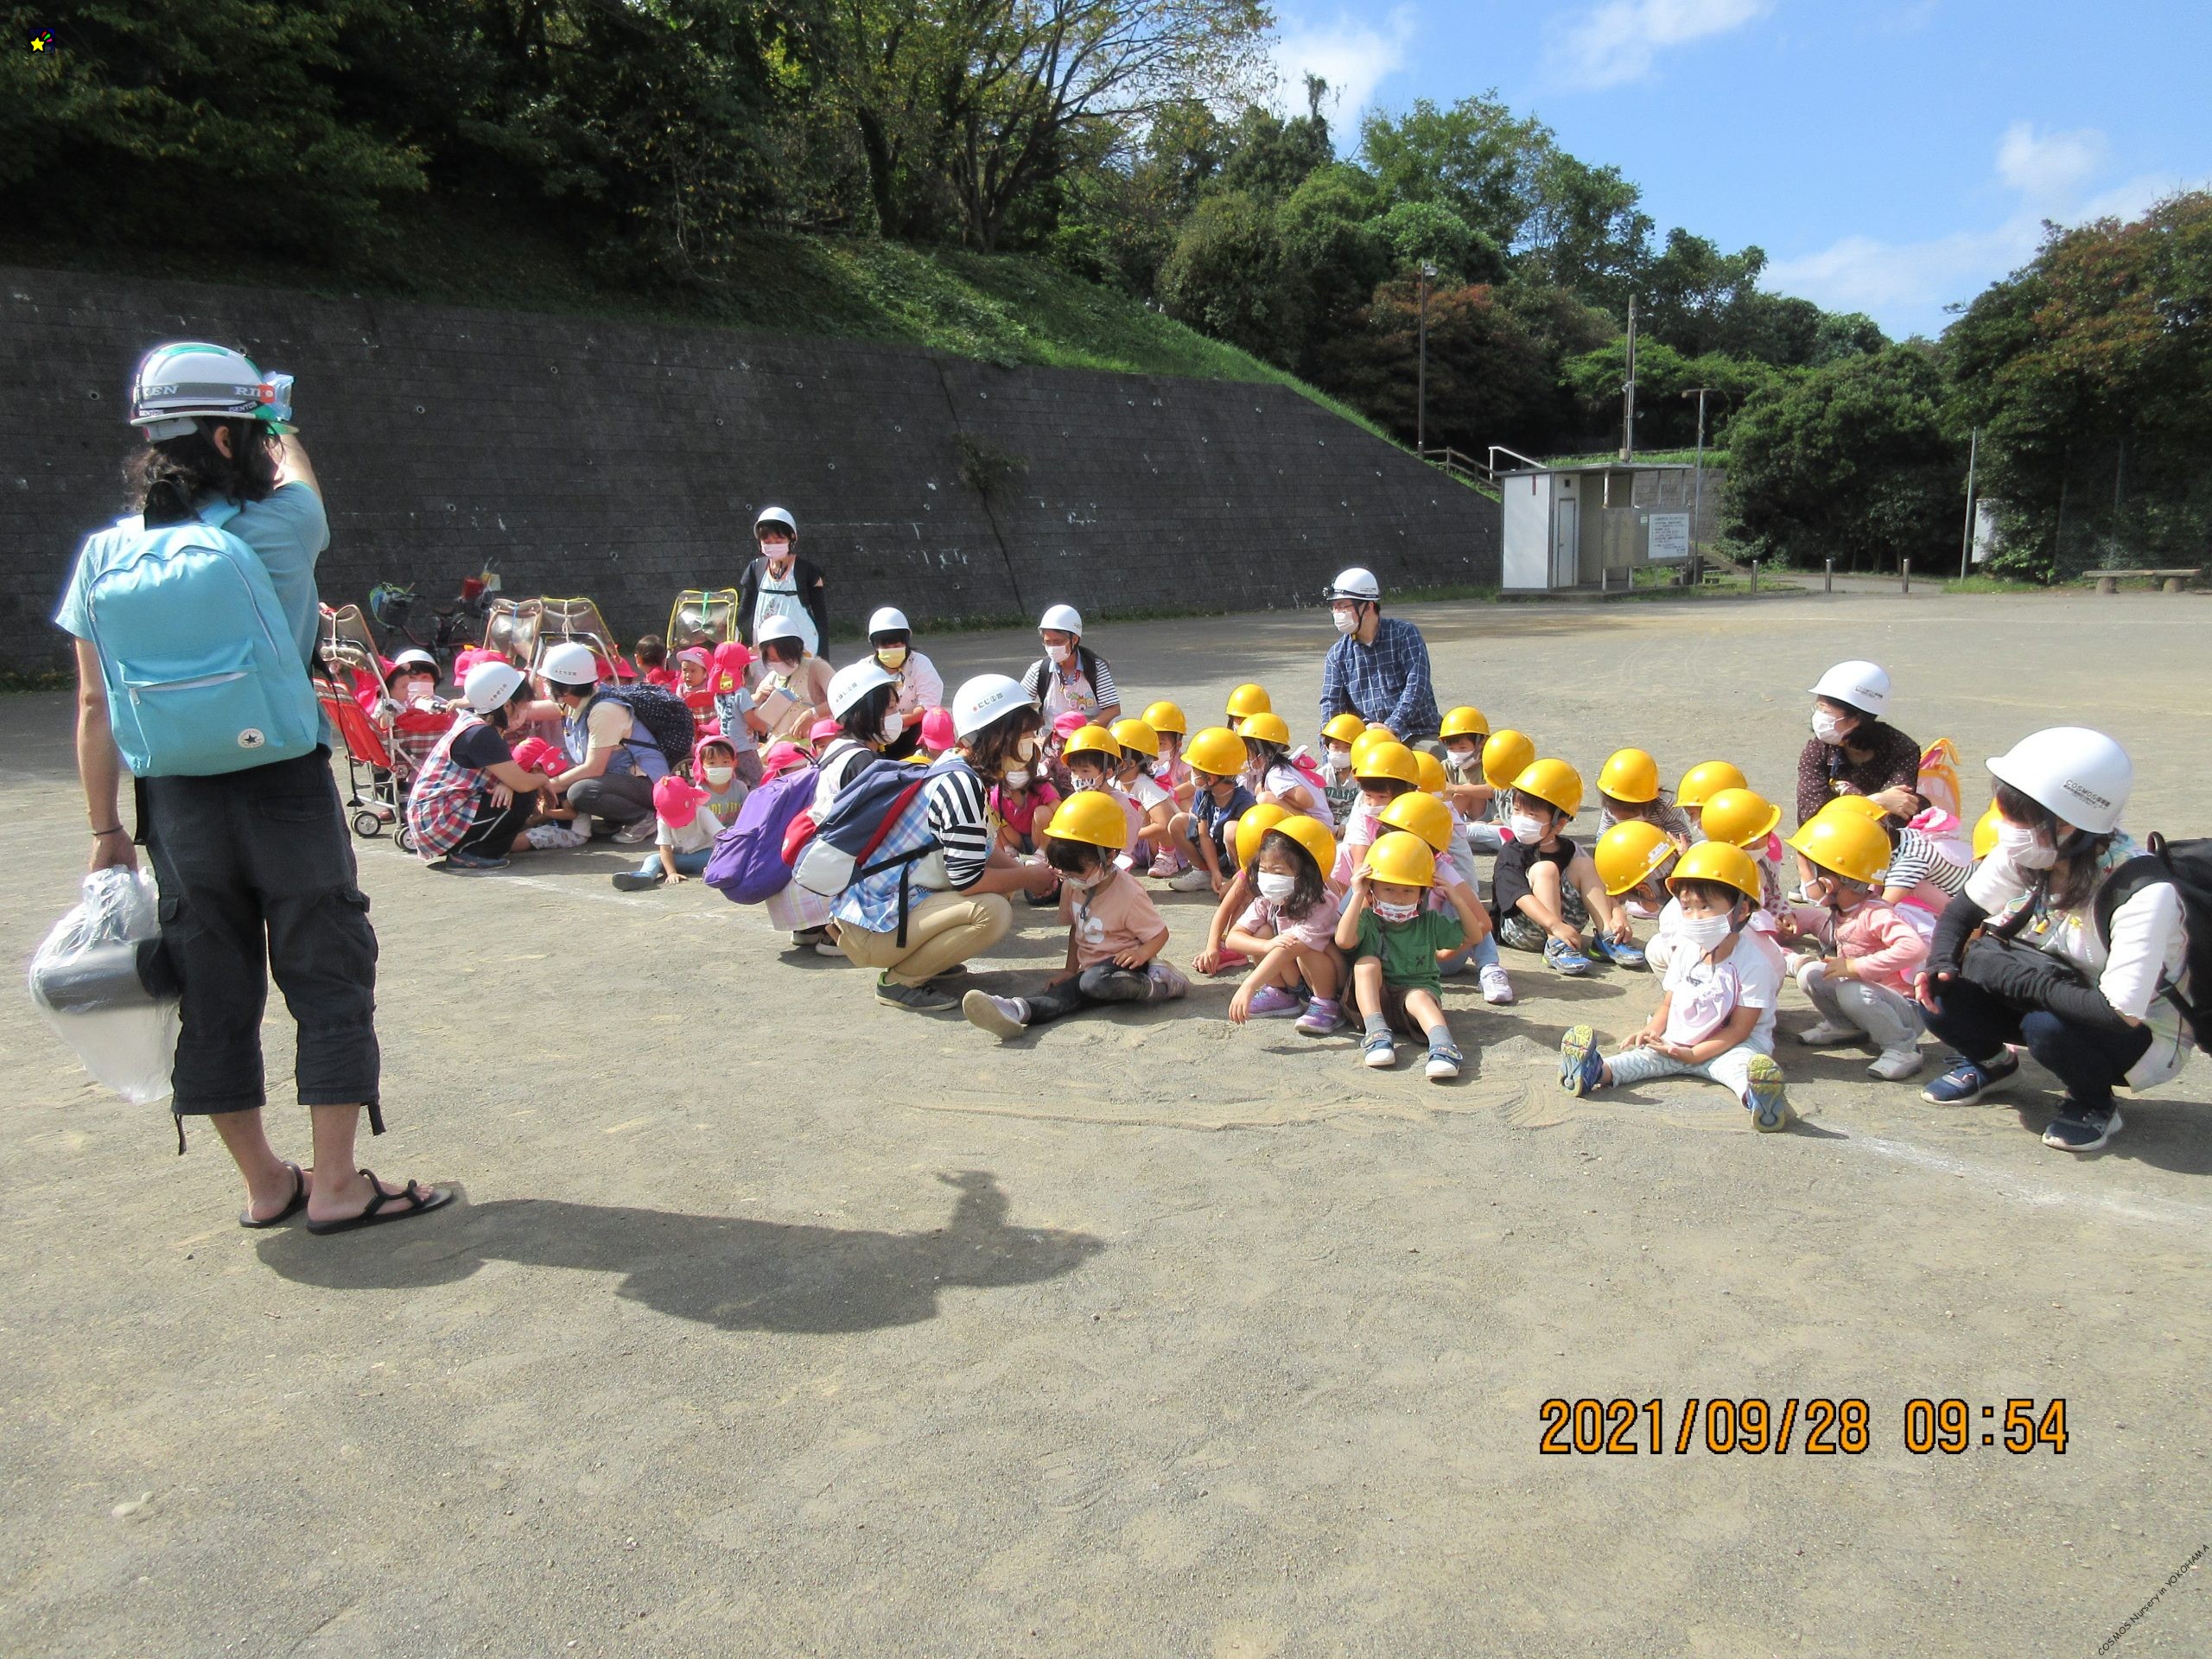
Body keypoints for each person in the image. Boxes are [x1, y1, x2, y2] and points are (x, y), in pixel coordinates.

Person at [58, 340, 444, 1231]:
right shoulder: (278, 527)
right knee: (326, 970)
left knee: (210, 985)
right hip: (283, 785)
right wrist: (280, 417)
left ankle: (267, 1183)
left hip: (176, 803)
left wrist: (106, 829)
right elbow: (299, 476)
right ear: (232, 439)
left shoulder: (104, 555)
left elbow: (93, 703)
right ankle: (338, 1184)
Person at [1918, 728, 2194, 1152]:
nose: (2009, 829)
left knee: (2046, 1028)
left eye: (2022, 818)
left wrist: (2018, 980)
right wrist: (1940, 964)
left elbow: (2120, 1014)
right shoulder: (2033, 852)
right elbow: (1960, 914)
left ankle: (2093, 1102)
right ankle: (1993, 1065)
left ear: (2068, 823)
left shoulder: (2143, 894)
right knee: (1939, 992)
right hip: (2058, 988)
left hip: (2136, 1033)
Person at [833, 673, 1060, 1010]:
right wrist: (1029, 876)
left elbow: (980, 850)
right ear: (996, 734)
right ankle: (900, 981)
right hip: (872, 927)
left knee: (1003, 887)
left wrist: (1030, 872)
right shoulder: (961, 786)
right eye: (1024, 734)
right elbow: (969, 880)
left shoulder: (957, 769)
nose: (1031, 742)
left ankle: (930, 960)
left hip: (880, 913)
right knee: (993, 911)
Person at [1557, 842, 1792, 1132]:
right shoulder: (1687, 949)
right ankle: (1592, 1071)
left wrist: (1695, 1055)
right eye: (1686, 908)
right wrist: (1652, 1030)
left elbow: (1739, 1030)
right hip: (1680, 1039)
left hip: (1732, 1046)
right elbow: (1669, 1003)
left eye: (1705, 907)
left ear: (1742, 909)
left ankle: (1759, 1098)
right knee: (1641, 1059)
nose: (1694, 917)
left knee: (1741, 1068)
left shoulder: (1755, 965)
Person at [961, 794, 1186, 1039]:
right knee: (1077, 989)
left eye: (1078, 872)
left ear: (1110, 855)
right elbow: (1076, 930)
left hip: (1127, 967)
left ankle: (1158, 985)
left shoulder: (1129, 894)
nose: (1070, 878)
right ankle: (1017, 1010)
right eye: (1065, 872)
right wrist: (1070, 970)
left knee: (1090, 984)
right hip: (1093, 973)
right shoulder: (1072, 884)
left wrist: (1141, 954)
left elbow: (1159, 934)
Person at [1780, 806, 1930, 1080]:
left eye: (1806, 877)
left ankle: (1903, 1047)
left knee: (1851, 991)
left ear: (1828, 884)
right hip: (1868, 995)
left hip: (1904, 1009)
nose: (1804, 886)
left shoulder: (1875, 913)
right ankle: (1847, 1026)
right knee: (1811, 973)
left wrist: (1856, 966)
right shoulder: (1844, 910)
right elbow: (1822, 925)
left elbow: (1914, 948)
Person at [1336, 830, 1484, 1081]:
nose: (1398, 898)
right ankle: (1377, 1035)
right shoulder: (1368, 920)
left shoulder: (1429, 922)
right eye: (1389, 889)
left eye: (1408, 891)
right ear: (1373, 891)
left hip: (1415, 1002)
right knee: (1367, 964)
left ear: (1421, 895)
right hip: (1376, 1000)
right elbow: (1343, 940)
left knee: (1418, 997)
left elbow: (1474, 935)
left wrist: (1457, 900)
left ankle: (1443, 1047)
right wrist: (1358, 893)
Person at [1491, 759, 1645, 974]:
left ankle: (1608, 936)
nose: (1521, 819)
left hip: (1567, 926)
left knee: (1586, 864)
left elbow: (1600, 886)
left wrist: (1618, 913)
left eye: (1532, 814)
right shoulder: (1512, 852)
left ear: (1559, 823)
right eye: (1517, 811)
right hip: (1522, 930)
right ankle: (1555, 945)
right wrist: (1554, 926)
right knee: (1545, 869)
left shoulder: (1571, 848)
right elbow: (1519, 896)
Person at [408, 661, 562, 871]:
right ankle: (473, 853)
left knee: (513, 794)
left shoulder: (476, 725)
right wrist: (542, 779)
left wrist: (509, 784)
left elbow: (510, 776)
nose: (524, 712)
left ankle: (479, 847)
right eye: (522, 705)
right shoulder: (482, 735)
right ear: (507, 705)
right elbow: (523, 783)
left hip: (435, 819)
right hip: (437, 823)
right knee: (524, 796)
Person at [1377, 791, 1515, 1007]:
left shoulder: (1439, 870)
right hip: (1393, 959)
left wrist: (1442, 954)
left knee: (1459, 899)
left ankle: (1489, 966)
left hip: (1437, 958)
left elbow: (1483, 923)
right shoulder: (1379, 861)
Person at [1794, 660, 1923, 887]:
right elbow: (1811, 813)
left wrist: (1853, 809)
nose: (1818, 716)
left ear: (1856, 718)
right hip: (1827, 848)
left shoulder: (1902, 749)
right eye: (1818, 708)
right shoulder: (1817, 750)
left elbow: (1895, 816)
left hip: (1880, 852)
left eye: (1826, 710)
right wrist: (1877, 801)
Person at [1223, 817, 1344, 1031]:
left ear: (1305, 874)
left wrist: (1249, 985)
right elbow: (1233, 938)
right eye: (1264, 869)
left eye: (1279, 872)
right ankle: (1280, 994)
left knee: (1309, 948)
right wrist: (1266, 945)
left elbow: (1291, 948)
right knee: (1262, 932)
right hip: (1294, 974)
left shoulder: (1322, 904)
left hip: (1331, 978)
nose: (1269, 878)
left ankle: (1326, 1005)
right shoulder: (1266, 902)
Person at [539, 639, 662, 843]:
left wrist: (548, 785)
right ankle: (617, 817)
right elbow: (530, 710)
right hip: (622, 781)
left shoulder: (603, 710)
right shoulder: (578, 703)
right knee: (567, 780)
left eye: (548, 681)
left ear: (566, 688)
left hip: (648, 783)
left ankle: (643, 817)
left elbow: (594, 768)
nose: (545, 685)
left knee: (580, 791)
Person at [1317, 567, 1440, 748]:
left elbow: (1417, 684)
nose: (1337, 613)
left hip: (1416, 731)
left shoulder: (1405, 634)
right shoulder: (1337, 654)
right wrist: (1329, 749)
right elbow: (1330, 704)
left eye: (1343, 606)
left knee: (1430, 760)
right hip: (1367, 739)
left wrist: (1391, 726)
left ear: (1368, 606)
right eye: (1334, 607)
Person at [1165, 727, 1254, 893]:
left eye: (1194, 770)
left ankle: (1241, 881)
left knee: (1232, 830)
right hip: (1212, 852)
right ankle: (1203, 873)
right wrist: (1214, 871)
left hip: (1235, 860)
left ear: (1211, 778)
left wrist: (1238, 876)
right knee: (1178, 822)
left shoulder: (1244, 801)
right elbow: (1204, 835)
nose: (1191, 774)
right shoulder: (1203, 793)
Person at [736, 505, 827, 655]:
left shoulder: (808, 571)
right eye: (767, 542)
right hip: (766, 644)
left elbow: (821, 617)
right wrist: (724, 624)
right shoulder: (756, 569)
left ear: (792, 538)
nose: (773, 546)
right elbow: (745, 609)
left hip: (802, 645)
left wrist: (823, 657)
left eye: (779, 541)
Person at [613, 774, 723, 892]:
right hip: (679, 858)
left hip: (705, 855)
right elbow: (665, 849)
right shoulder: (662, 820)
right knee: (653, 859)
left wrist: (721, 859)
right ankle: (645, 876)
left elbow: (722, 837)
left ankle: (714, 870)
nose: (681, 824)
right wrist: (671, 873)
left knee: (716, 856)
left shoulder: (702, 813)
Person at [1020, 604, 1121, 725]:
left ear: (1074, 639)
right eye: (1047, 642)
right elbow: (1019, 706)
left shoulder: (1096, 668)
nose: (1052, 647)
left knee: (1119, 723)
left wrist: (1089, 728)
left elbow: (1113, 709)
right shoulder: (1038, 670)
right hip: (1052, 734)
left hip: (1089, 734)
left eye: (1058, 642)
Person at [865, 607, 944, 756]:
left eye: (897, 646)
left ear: (907, 640)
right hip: (876, 734)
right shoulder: (865, 668)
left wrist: (895, 722)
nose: (892, 650)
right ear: (874, 645)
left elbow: (928, 705)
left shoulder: (920, 663)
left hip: (914, 732)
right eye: (885, 647)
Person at [1696, 787, 1789, 916]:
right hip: (1737, 925)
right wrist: (1766, 922)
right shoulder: (1713, 872)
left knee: (1810, 916)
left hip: (1765, 919)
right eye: (1755, 845)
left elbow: (1773, 895)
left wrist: (1784, 914)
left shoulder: (1763, 863)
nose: (1769, 840)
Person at [1236, 712, 1333, 829]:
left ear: (1261, 750)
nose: (1247, 757)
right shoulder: (1282, 768)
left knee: (1265, 798)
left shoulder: (1276, 775)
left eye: (1248, 752)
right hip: (1320, 823)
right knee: (1260, 789)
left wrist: (1281, 799)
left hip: (1319, 828)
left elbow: (1306, 800)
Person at [751, 615, 833, 741]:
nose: (779, 663)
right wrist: (756, 700)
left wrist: (813, 714)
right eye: (773, 659)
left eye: (785, 657)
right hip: (777, 747)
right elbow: (755, 725)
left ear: (797, 649)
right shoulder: (771, 679)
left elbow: (842, 699)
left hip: (814, 745)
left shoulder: (816, 667)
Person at [1593, 748, 1696, 844]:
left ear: (1648, 803)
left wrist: (1652, 834)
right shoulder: (1609, 805)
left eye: (1631, 817)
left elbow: (1684, 839)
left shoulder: (1665, 806)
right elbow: (1602, 839)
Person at [709, 640, 766, 785]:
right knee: (759, 779)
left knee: (740, 783)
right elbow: (750, 719)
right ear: (741, 669)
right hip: (745, 748)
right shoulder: (741, 693)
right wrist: (763, 727)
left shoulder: (718, 695)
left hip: (728, 749)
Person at [693, 734, 749, 826]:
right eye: (712, 763)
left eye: (725, 762)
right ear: (701, 766)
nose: (719, 767)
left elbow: (748, 815)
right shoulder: (700, 793)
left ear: (734, 764)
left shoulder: (741, 788)